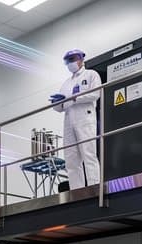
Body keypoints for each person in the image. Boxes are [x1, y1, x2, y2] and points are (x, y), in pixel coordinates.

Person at [50, 49, 102, 190]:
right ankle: (76, 191)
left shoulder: (91, 75)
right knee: (71, 159)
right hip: (68, 121)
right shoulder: (66, 83)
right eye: (68, 61)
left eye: (73, 59)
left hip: (85, 118)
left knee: (88, 154)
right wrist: (56, 103)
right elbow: (60, 108)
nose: (70, 63)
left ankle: (94, 187)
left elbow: (95, 94)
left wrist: (73, 98)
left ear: (81, 59)